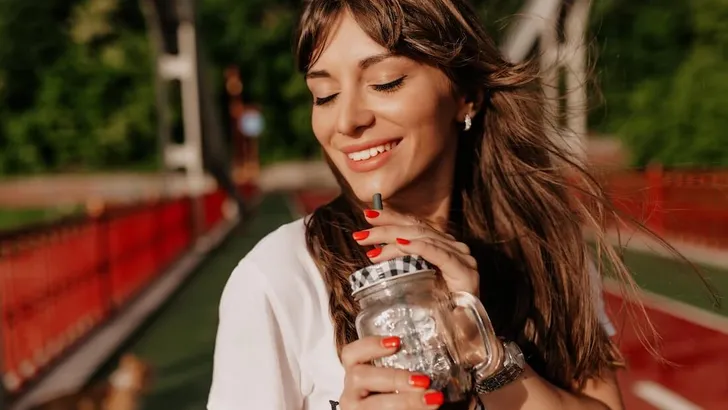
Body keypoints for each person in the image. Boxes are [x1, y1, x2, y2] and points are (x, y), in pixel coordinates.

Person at [208, 0, 633, 409]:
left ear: (466, 94)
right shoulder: (278, 276)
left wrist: (482, 350)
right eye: (324, 94)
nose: (347, 120)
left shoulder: (544, 247)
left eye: (385, 82)